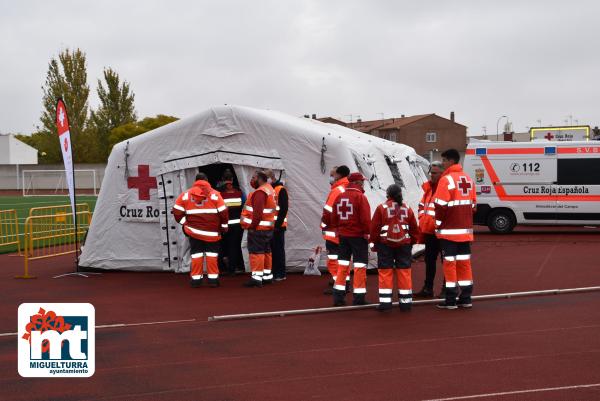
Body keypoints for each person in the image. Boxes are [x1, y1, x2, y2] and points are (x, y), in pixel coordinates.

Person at [434, 149, 477, 309]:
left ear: (451, 161)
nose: (443, 163)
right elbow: (473, 206)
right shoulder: (468, 179)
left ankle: (450, 299)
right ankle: (466, 298)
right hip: (465, 233)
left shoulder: (446, 180)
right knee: (464, 265)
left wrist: (437, 225)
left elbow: (440, 206)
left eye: (444, 160)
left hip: (449, 233)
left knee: (450, 265)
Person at [172, 173, 228, 288]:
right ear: (206, 180)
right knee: (211, 255)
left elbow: (176, 211)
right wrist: (223, 226)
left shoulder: (185, 195)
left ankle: (196, 280)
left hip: (194, 232)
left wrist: (184, 223)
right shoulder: (215, 194)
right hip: (212, 232)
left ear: (195, 181)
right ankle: (213, 280)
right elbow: (223, 212)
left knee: (196, 255)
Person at [370, 184, 420, 311]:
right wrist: (411, 242)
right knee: (404, 272)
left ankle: (385, 303)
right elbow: (414, 228)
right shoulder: (407, 208)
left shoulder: (381, 208)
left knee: (385, 272)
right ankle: (406, 303)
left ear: (388, 195)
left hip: (385, 244)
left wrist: (374, 244)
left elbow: (374, 229)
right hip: (404, 245)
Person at [330, 172, 371, 306]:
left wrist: (337, 229)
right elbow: (365, 219)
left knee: (342, 266)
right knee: (359, 266)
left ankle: (338, 297)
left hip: (343, 236)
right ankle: (359, 298)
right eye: (362, 181)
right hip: (358, 237)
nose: (363, 184)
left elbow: (333, 216)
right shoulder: (360, 197)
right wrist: (367, 233)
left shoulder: (340, 196)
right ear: (357, 183)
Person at [240, 170, 277, 287]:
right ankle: (267, 276)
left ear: (260, 178)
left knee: (257, 253)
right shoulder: (270, 189)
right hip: (267, 228)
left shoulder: (260, 192)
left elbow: (257, 214)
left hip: (258, 228)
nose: (252, 180)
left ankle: (256, 278)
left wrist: (252, 227)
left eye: (253, 177)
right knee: (266, 252)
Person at [414, 161, 444, 298]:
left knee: (447, 262)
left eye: (435, 173)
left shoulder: (444, 188)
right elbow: (422, 205)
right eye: (431, 172)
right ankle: (428, 288)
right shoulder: (429, 189)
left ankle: (446, 289)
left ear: (442, 173)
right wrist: (422, 218)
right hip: (430, 232)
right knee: (429, 261)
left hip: (442, 232)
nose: (432, 175)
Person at [320, 165, 350, 295]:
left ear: (338, 175)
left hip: (334, 233)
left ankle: (339, 285)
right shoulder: (349, 188)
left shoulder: (337, 190)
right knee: (344, 260)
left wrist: (324, 225)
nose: (331, 178)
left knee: (334, 259)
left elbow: (328, 212)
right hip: (345, 232)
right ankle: (345, 282)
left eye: (332, 175)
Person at [218, 170, 245, 276]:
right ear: (232, 179)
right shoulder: (239, 191)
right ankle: (232, 269)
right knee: (234, 246)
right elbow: (244, 205)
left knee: (221, 246)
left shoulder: (218, 192)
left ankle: (221, 268)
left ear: (222, 180)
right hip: (237, 225)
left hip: (223, 224)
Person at [265, 169, 288, 281]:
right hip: (269, 226)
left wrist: (278, 225)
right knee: (272, 250)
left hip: (278, 226)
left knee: (278, 250)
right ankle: (274, 272)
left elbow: (284, 209)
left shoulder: (280, 190)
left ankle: (280, 273)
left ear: (271, 178)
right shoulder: (269, 189)